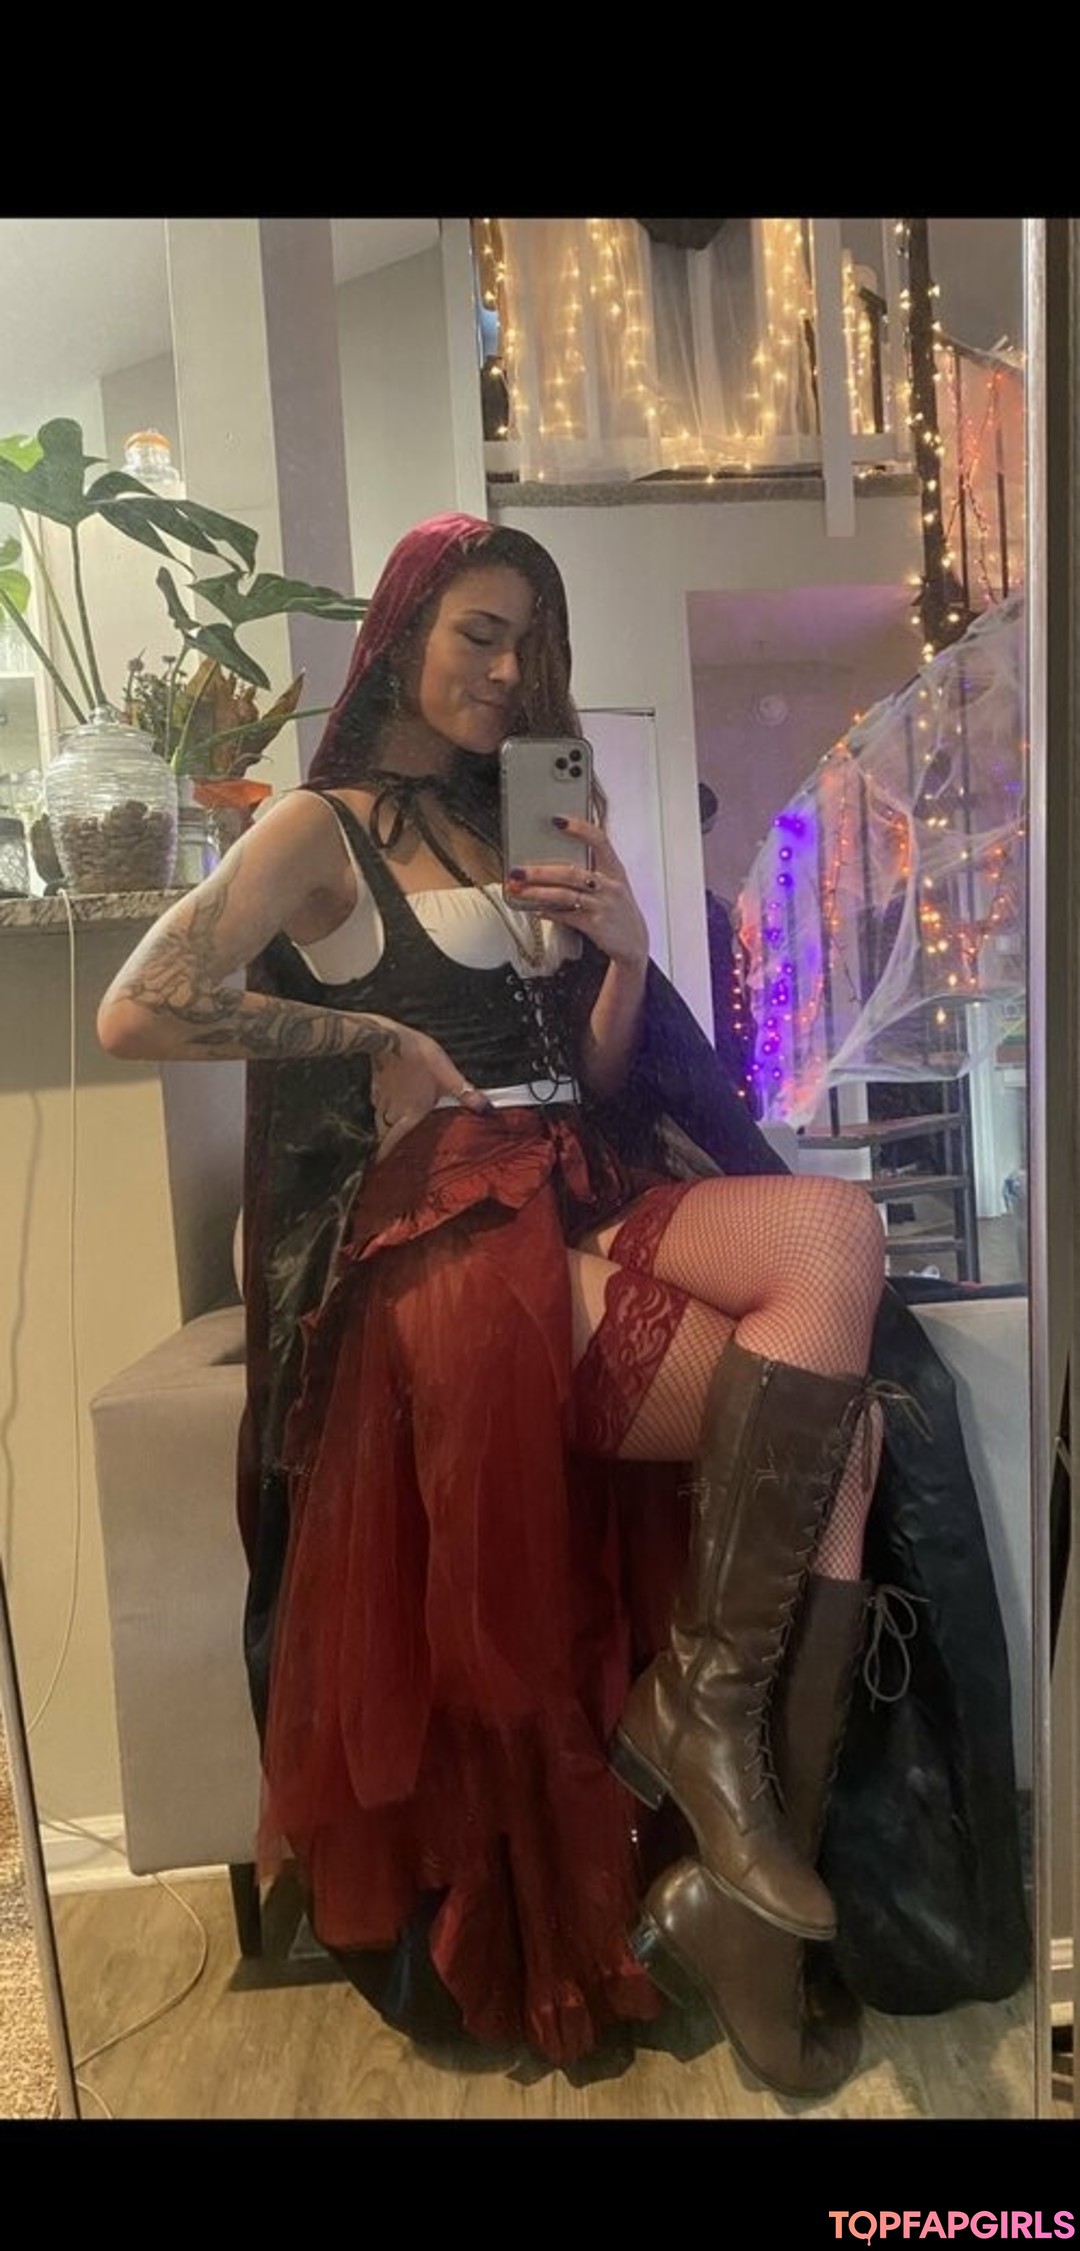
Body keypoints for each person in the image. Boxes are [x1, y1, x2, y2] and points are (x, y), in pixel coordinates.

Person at [95, 515, 929, 2088]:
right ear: (405, 631)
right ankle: (742, 1867)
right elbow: (140, 1006)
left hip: (584, 1176)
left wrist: (621, 954)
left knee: (832, 1231)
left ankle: (713, 1756)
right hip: (457, 1231)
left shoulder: (531, 813)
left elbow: (602, 1076)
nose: (505, 669)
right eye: (479, 632)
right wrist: (373, 1041)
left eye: (530, 644)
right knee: (849, 1443)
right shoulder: (321, 826)